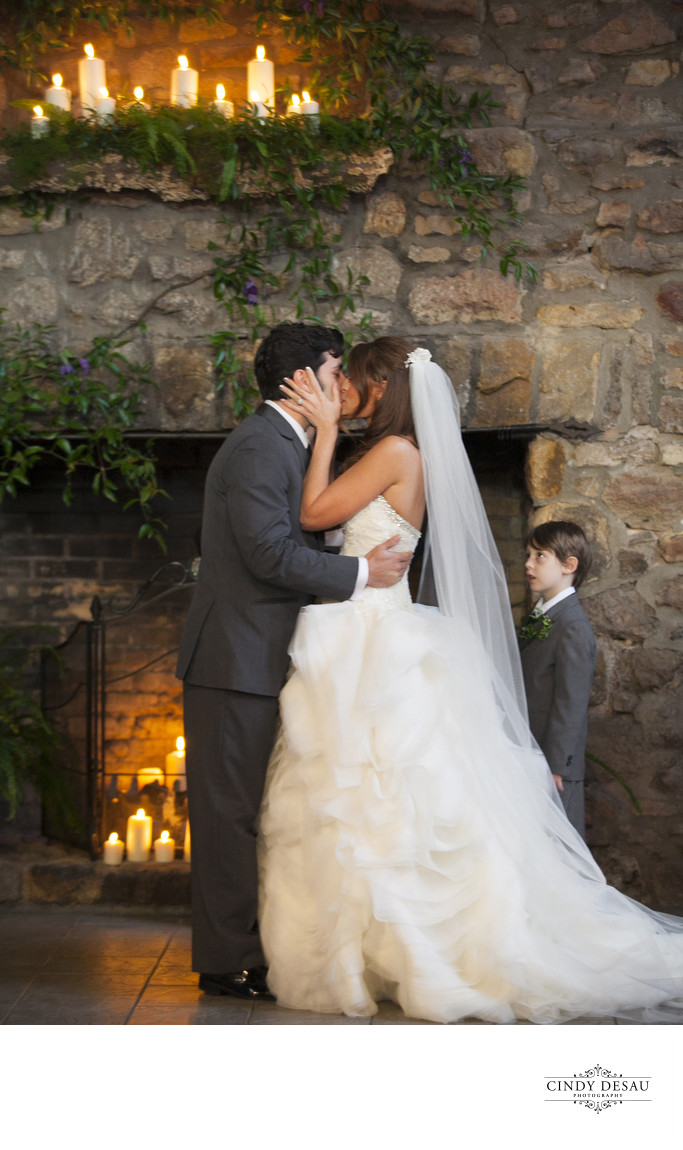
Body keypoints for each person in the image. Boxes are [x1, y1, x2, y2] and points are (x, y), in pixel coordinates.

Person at [257, 336, 683, 1024]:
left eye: (351, 384)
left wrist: (325, 433)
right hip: (368, 627)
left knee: (381, 799)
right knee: (376, 802)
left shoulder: (395, 454)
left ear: (379, 391)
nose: (340, 394)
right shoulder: (397, 454)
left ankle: (419, 954)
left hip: (372, 635)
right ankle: (378, 953)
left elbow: (311, 518)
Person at [175, 323, 412, 1001]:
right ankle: (225, 963)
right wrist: (362, 572)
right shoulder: (257, 446)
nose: (345, 386)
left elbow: (298, 531)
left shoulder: (291, 443)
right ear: (300, 381)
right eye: (336, 372)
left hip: (267, 656)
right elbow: (268, 556)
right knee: (229, 815)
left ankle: (259, 948)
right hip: (234, 660)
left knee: (261, 810)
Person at [519, 522, 596, 839]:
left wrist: (557, 767)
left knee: (559, 852)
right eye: (528, 554)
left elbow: (571, 703)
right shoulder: (541, 615)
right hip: (529, 750)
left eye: (540, 556)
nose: (528, 563)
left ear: (569, 565)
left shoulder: (573, 626)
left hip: (553, 767)